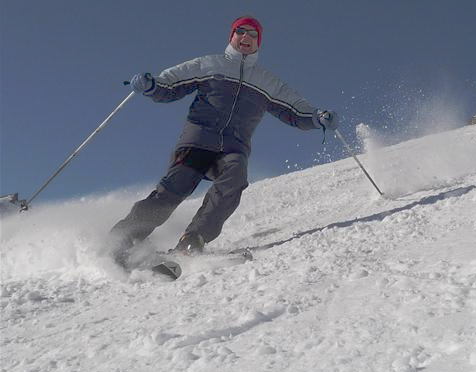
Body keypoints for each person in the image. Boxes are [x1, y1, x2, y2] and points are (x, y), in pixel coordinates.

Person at [110, 15, 338, 265]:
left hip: (233, 147)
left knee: (234, 179)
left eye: (253, 35)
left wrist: (317, 118)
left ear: (258, 43)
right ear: (232, 36)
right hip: (197, 140)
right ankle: (121, 240)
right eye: (241, 32)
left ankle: (192, 240)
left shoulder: (268, 82)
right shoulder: (208, 64)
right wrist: (152, 85)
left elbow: (295, 110)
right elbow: (171, 84)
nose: (246, 38)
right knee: (173, 190)